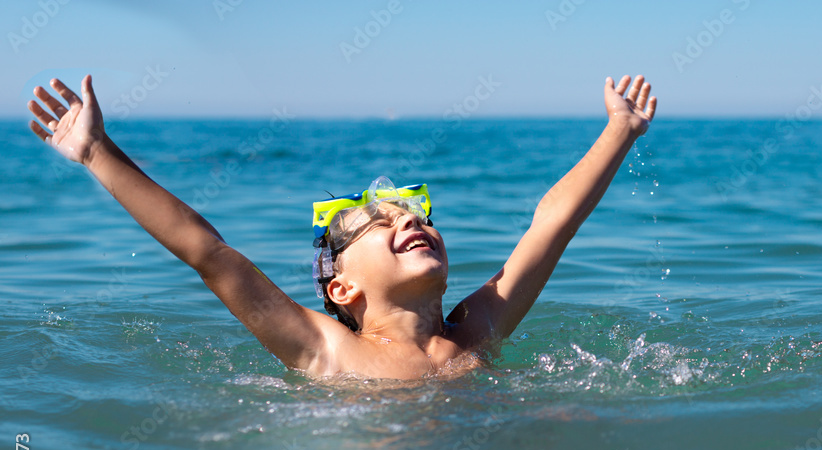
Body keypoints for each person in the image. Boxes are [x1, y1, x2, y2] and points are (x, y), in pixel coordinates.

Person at [28, 74, 657, 380]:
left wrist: (618, 131)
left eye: (414, 214)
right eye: (379, 223)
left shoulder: (478, 328)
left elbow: (552, 225)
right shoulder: (326, 348)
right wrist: (96, 153)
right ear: (341, 289)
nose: (409, 219)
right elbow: (209, 253)